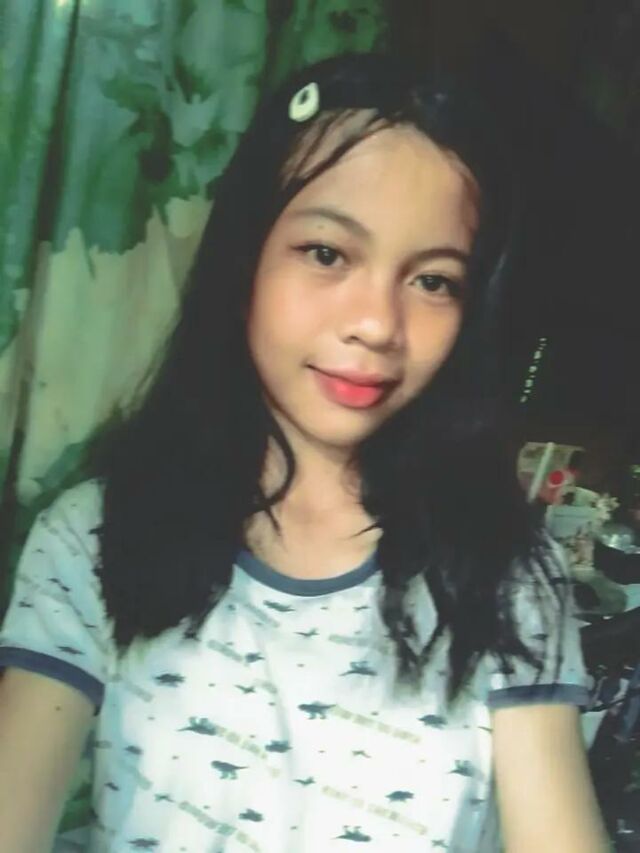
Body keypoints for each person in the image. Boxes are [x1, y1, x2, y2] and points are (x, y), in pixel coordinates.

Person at [0, 53, 608, 852]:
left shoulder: (508, 574)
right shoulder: (94, 536)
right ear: (245, 260)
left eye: (433, 281)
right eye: (327, 253)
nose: (377, 323)